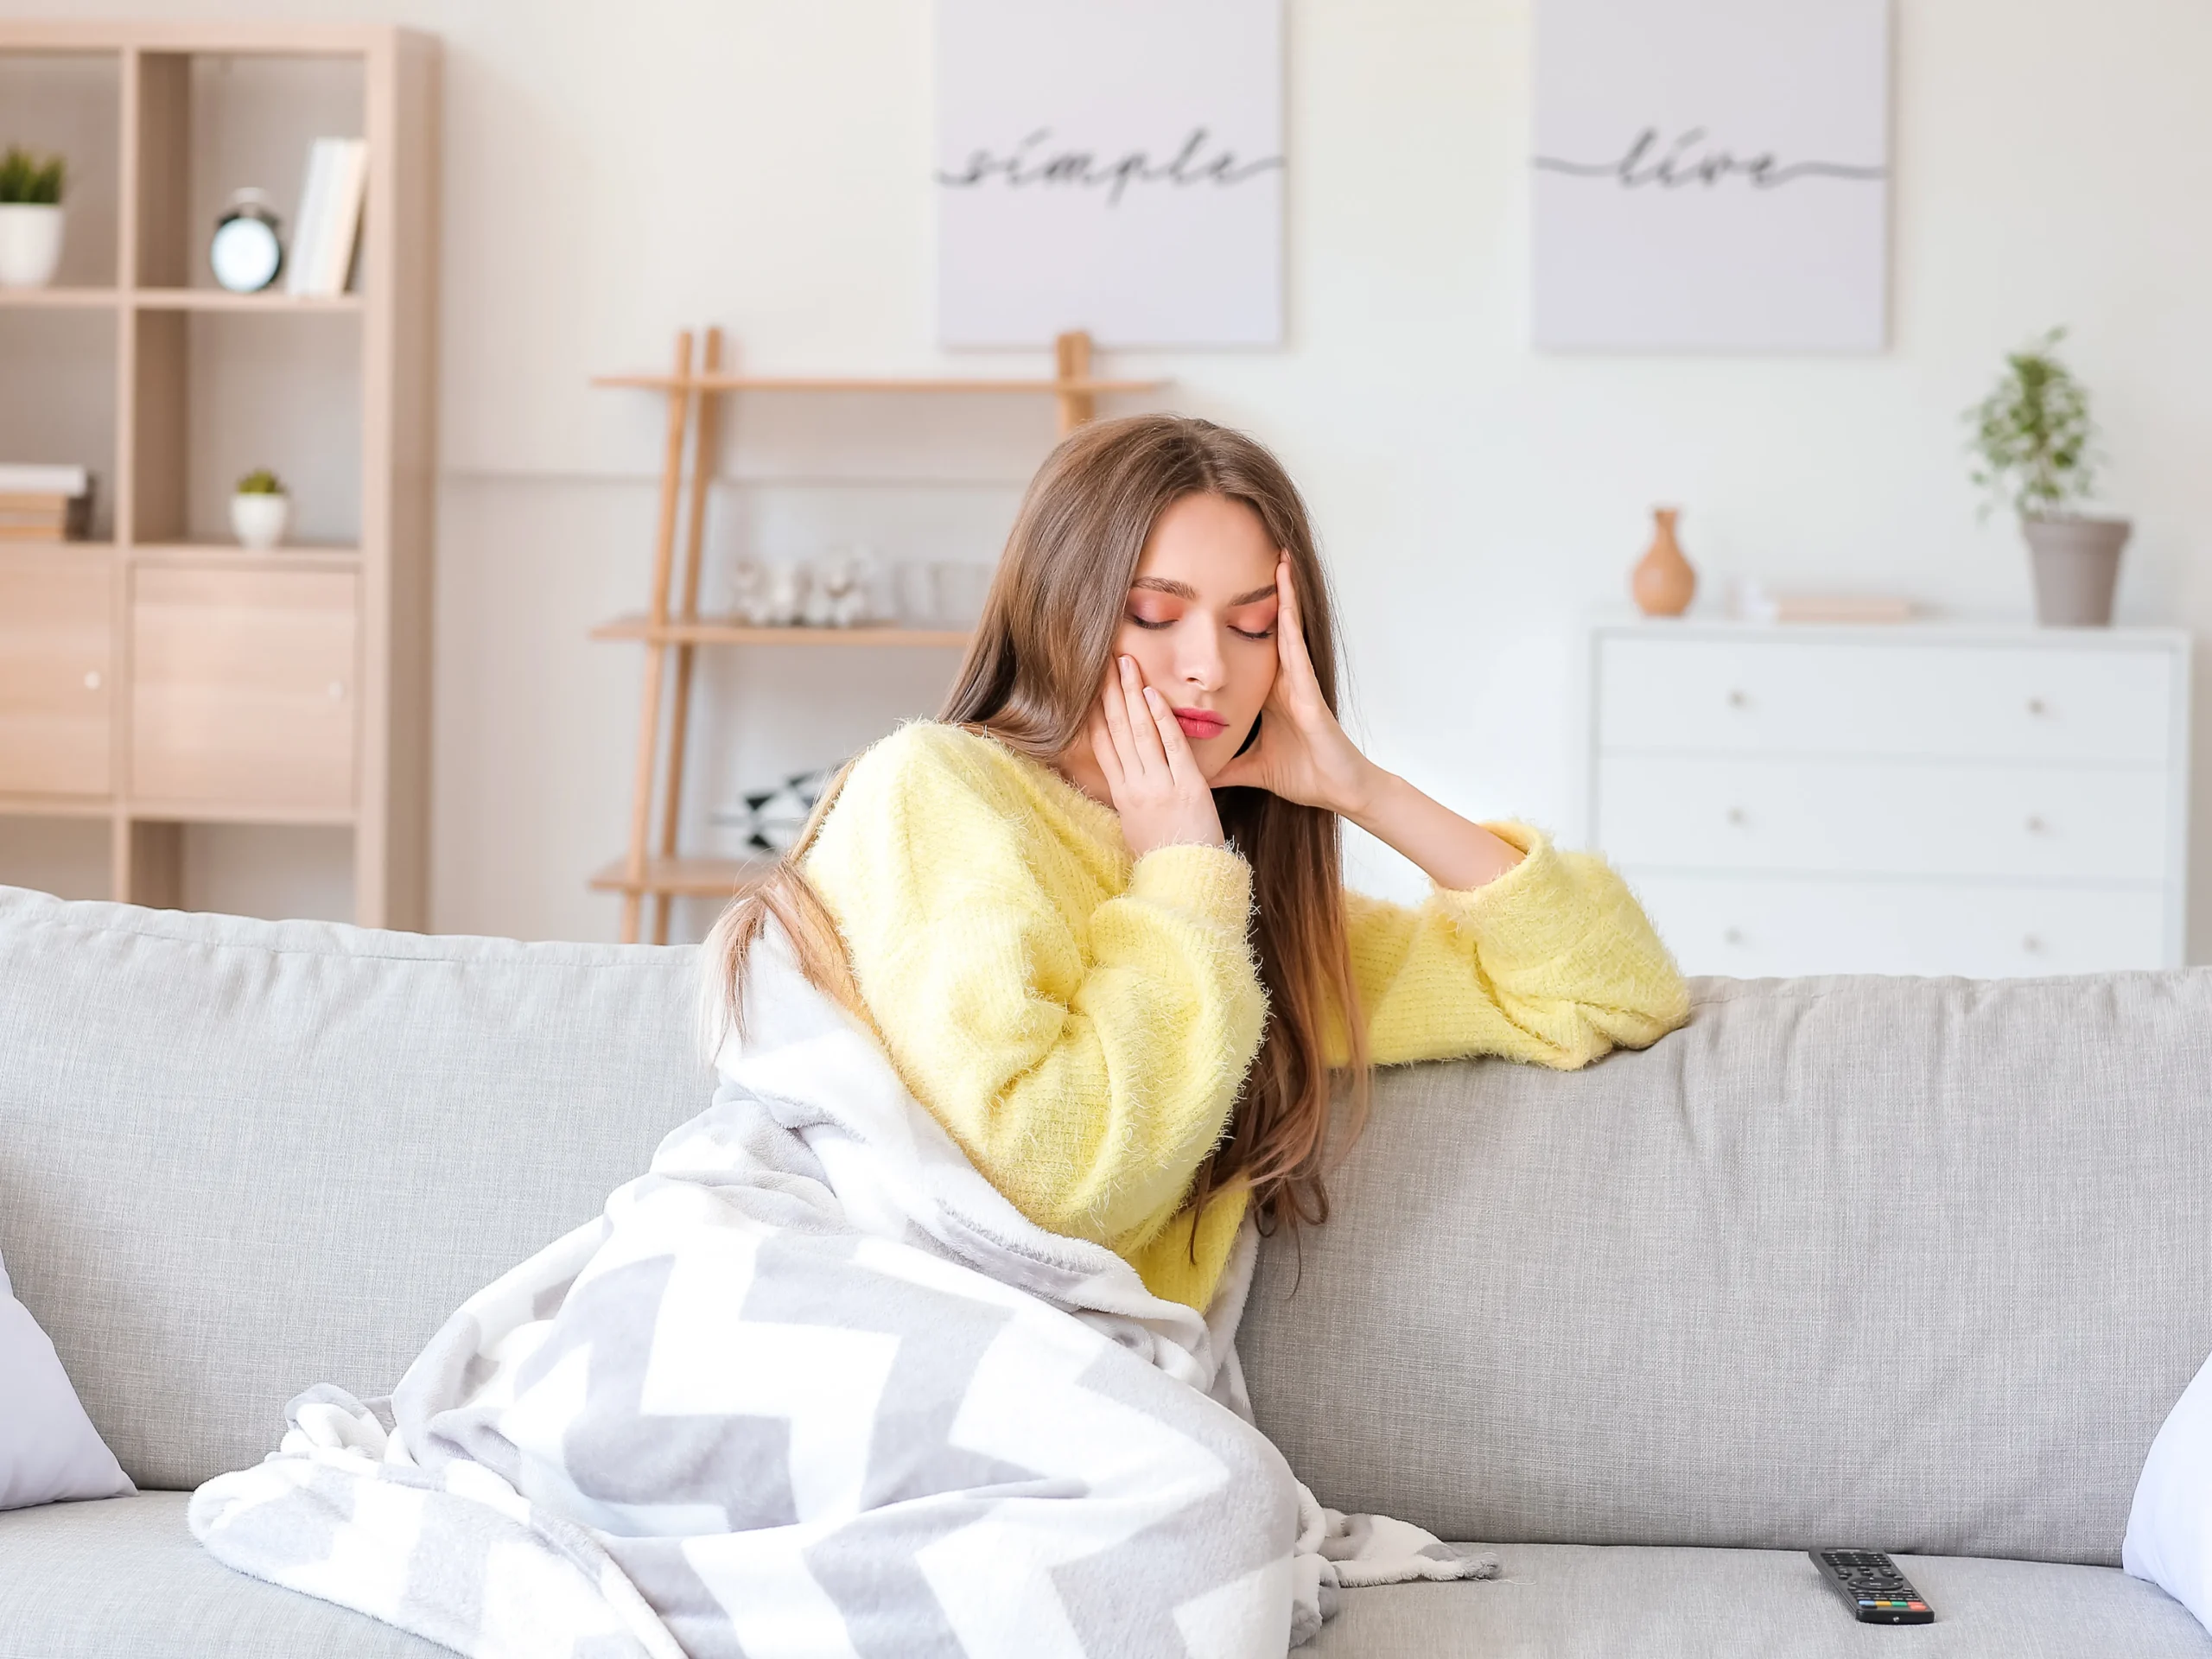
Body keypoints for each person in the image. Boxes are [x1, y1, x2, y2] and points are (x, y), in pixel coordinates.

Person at [707, 414, 1688, 1314]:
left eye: (1253, 625)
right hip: (874, 1333)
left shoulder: (1231, 907)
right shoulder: (936, 789)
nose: (1208, 667)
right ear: (1063, 611)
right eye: (1153, 612)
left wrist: (1365, 791)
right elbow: (1048, 1180)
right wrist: (1181, 872)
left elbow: (1611, 990)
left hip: (1083, 1378)